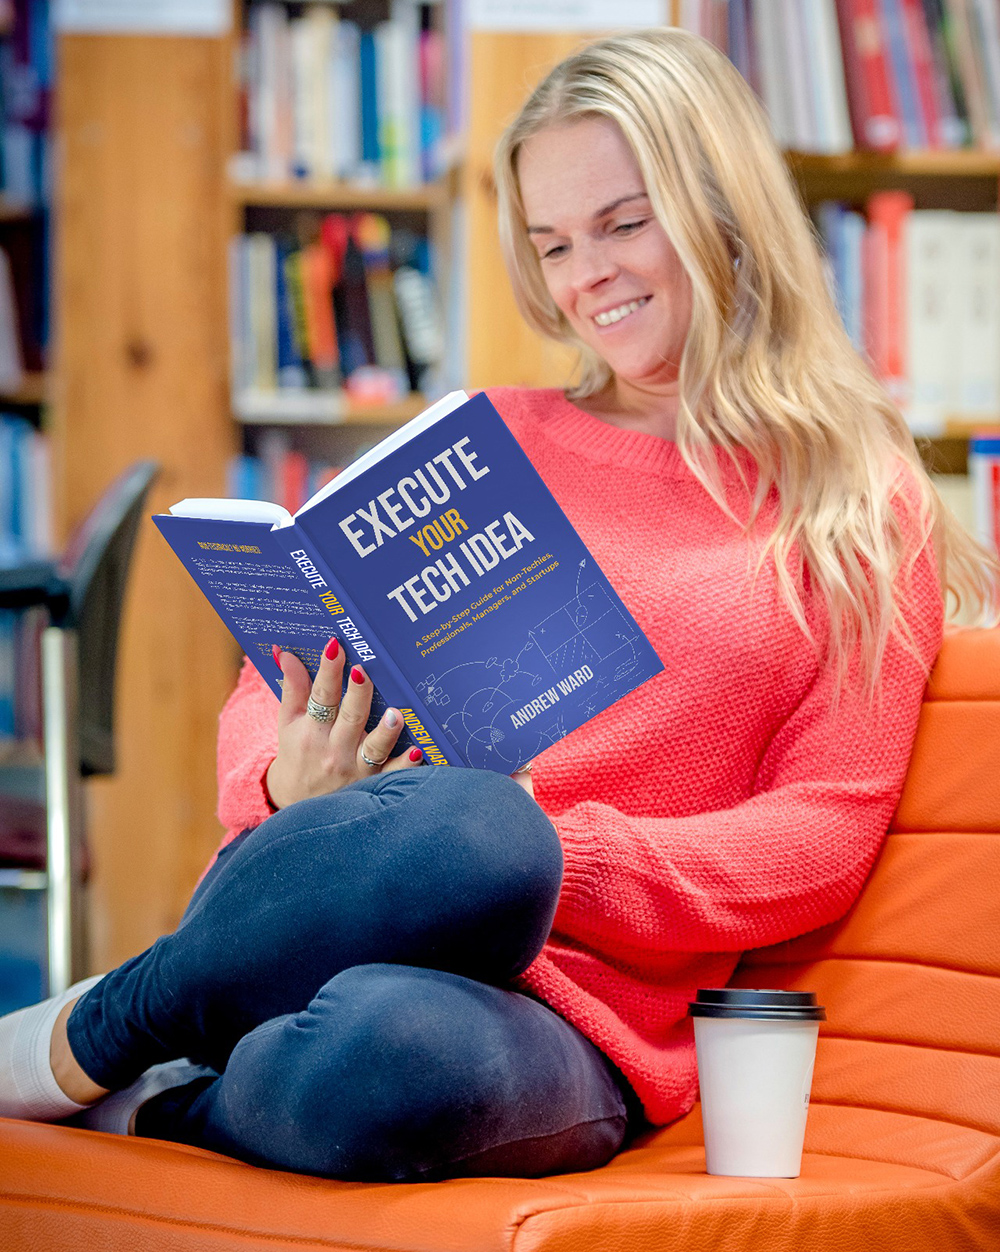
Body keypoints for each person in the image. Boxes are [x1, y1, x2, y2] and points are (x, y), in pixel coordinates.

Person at [2, 27, 998, 1181]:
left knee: (402, 1022)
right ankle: (119, 1021)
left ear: (725, 209)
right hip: (336, 891)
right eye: (553, 243)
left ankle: (169, 1094)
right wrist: (286, 775)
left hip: (578, 1012)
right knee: (464, 827)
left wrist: (563, 856)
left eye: (626, 224)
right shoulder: (489, 440)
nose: (590, 276)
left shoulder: (851, 500)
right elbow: (266, 685)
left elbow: (825, 826)